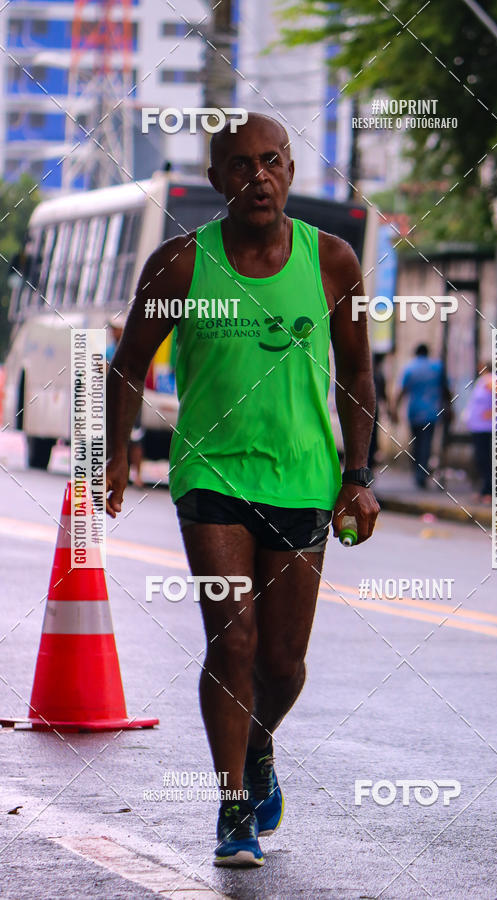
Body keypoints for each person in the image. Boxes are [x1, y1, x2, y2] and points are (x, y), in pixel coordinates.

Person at [105, 113, 380, 867]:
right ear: (216, 177)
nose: (256, 177)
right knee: (233, 640)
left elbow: (358, 374)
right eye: (238, 165)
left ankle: (258, 746)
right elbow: (127, 362)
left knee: (283, 665)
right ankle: (233, 808)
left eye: (270, 162)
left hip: (301, 476)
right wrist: (117, 454)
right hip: (212, 473)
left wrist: (357, 478)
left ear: (289, 169)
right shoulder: (181, 265)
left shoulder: (333, 262)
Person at [394, 343, 449, 489]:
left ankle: (419, 472)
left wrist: (394, 408)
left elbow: (402, 390)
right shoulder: (437, 367)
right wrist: (449, 408)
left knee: (416, 444)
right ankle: (421, 473)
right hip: (431, 412)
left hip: (414, 412)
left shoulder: (410, 368)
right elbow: (446, 390)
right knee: (426, 443)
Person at [106, 320, 145, 487]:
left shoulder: (134, 349)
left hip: (132, 399)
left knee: (135, 438)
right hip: (114, 399)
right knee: (113, 437)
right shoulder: (108, 350)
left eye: (116, 329)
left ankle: (137, 474)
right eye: (112, 329)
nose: (113, 332)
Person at [465, 362, 493, 502]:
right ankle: (484, 489)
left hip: (486, 427)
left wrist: (495, 411)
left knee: (485, 458)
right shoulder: (482, 381)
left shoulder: (491, 380)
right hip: (478, 427)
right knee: (481, 459)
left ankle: (490, 490)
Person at [367, 353, 389, 469]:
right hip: (374, 410)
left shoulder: (369, 374)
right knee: (373, 437)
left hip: (366, 410)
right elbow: (384, 395)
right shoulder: (379, 375)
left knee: (368, 437)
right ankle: (369, 464)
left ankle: (366, 464)